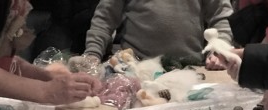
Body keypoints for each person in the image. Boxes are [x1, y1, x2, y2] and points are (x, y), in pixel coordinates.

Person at [84, 0, 234, 69]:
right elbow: (104, 19)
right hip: (136, 69)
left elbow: (222, 17)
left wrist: (220, 51)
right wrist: (92, 54)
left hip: (192, 68)